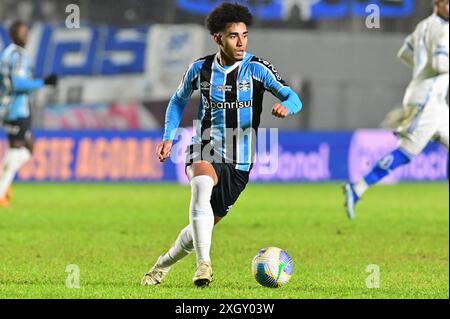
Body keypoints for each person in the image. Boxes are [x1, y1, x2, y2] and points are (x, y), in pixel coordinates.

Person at [141, 2, 302, 287]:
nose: (240, 42)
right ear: (218, 38)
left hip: (239, 163)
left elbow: (293, 97)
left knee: (199, 227)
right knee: (201, 186)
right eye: (233, 36)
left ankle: (161, 266)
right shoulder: (200, 69)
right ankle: (204, 265)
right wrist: (168, 136)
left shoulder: (258, 69)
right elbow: (178, 100)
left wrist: (287, 107)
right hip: (205, 146)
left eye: (244, 35)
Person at [344, 0, 449, 220]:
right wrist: (428, 72)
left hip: (432, 99)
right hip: (427, 101)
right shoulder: (442, 30)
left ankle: (358, 188)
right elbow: (440, 64)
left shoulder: (424, 26)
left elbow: (404, 52)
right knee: (406, 152)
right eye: (447, 3)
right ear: (436, 4)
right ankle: (358, 187)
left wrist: (421, 70)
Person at [0, 20, 57, 207]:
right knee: (21, 149)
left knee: (20, 148)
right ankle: (2, 188)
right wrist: (43, 83)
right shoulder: (18, 55)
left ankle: (4, 185)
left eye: (27, 33)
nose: (26, 36)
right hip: (17, 108)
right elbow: (18, 83)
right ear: (14, 35)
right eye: (22, 33)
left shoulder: (7, 53)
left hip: (8, 107)